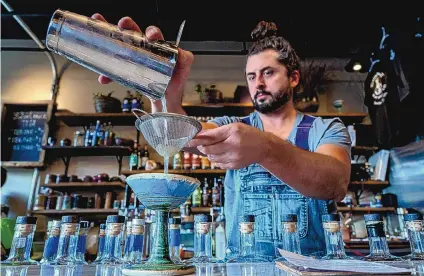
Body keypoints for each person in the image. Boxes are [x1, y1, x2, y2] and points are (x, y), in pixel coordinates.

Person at [92, 14, 351, 259]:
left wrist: (266, 148)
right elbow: (177, 136)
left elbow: (335, 182)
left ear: (294, 78)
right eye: (251, 76)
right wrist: (165, 89)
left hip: (315, 272)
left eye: (268, 73)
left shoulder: (324, 130)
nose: (257, 84)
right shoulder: (231, 126)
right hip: (243, 271)